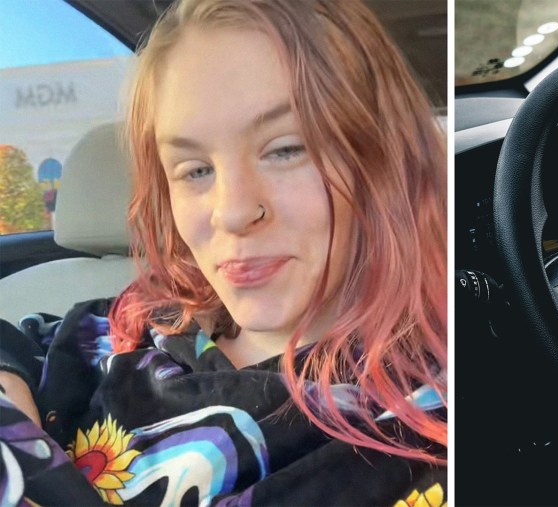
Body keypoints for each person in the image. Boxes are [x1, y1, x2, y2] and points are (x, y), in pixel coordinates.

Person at [0, 0, 447, 504]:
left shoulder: (428, 419)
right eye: (195, 170)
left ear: (384, 161)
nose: (231, 212)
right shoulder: (135, 322)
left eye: (286, 149)